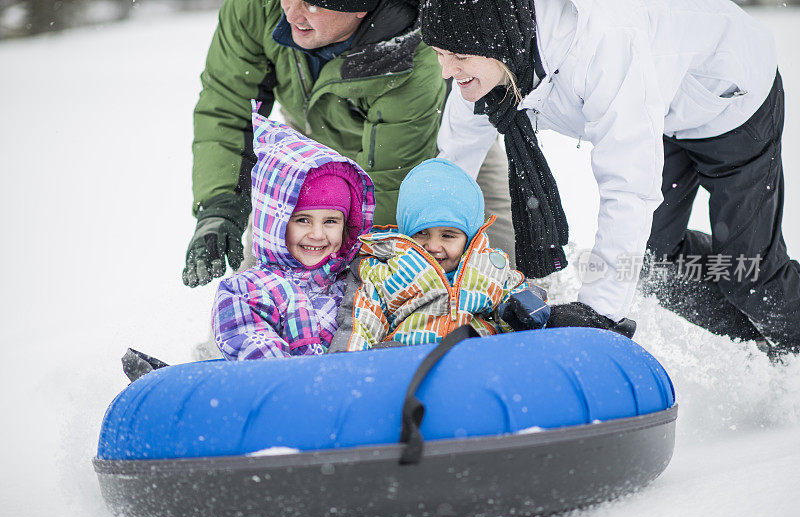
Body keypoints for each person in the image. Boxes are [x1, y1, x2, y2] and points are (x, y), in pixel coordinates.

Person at [420, 0, 800, 354]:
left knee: (752, 275)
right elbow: (455, 161)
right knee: (650, 265)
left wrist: (598, 313)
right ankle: (765, 349)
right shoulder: (491, 61)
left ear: (497, 42)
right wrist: (422, 255)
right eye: (439, 54)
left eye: (459, 56)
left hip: (730, 102)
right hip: (659, 110)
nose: (446, 71)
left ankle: (790, 347)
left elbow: (628, 186)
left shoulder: (602, 44)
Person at [182, 0, 447, 289]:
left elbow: (387, 187)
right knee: (263, 268)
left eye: (310, 4)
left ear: (361, 7)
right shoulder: (257, 6)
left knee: (465, 268)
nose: (292, 13)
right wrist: (221, 206)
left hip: (440, 147)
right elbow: (228, 107)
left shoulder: (411, 53)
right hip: (310, 135)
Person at [330, 158, 550, 352]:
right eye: (422, 233)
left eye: (448, 235)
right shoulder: (384, 272)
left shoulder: (491, 267)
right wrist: (351, 368)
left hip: (478, 361)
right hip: (411, 365)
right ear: (406, 233)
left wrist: (519, 311)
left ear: (469, 238)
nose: (433, 246)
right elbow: (361, 325)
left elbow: (521, 301)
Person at [212, 114, 374, 359]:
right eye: (302, 220)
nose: (318, 234)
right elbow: (265, 367)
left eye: (331, 221)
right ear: (275, 223)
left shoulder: (360, 282)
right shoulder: (245, 290)